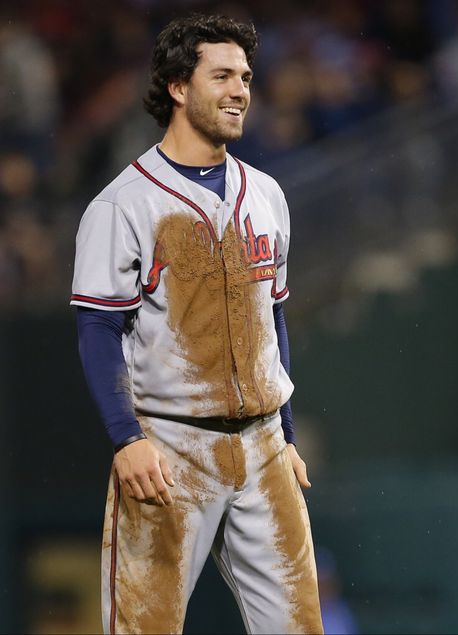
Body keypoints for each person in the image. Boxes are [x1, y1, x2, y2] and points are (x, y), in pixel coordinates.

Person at [71, 13, 324, 635]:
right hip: (169, 446)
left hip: (265, 446)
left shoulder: (266, 193)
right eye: (222, 76)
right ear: (179, 87)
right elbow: (97, 331)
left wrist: (286, 433)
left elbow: (273, 318)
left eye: (245, 76)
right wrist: (126, 438)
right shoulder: (123, 205)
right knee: (144, 629)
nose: (241, 89)